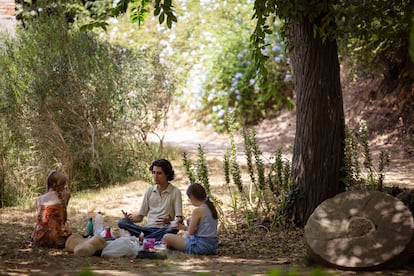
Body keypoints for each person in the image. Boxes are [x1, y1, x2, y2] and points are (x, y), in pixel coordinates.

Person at [118, 159, 183, 241]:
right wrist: (130, 218)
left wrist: (171, 221)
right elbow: (140, 217)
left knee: (173, 227)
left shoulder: (175, 192)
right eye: (154, 172)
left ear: (167, 174)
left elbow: (179, 219)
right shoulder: (150, 190)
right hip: (148, 229)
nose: (155, 176)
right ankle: (149, 238)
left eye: (159, 173)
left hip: (164, 229)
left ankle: (143, 239)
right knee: (122, 222)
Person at [162, 183, 219, 255]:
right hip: (212, 245)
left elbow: (190, 233)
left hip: (201, 246)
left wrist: (184, 228)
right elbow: (202, 231)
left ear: (192, 197)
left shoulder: (198, 210)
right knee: (180, 237)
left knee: (166, 237)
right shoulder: (210, 207)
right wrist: (182, 227)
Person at [30, 170, 72, 248]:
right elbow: (63, 219)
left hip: (40, 238)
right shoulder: (65, 197)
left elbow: (39, 221)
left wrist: (33, 237)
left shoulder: (39, 199)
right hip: (58, 239)